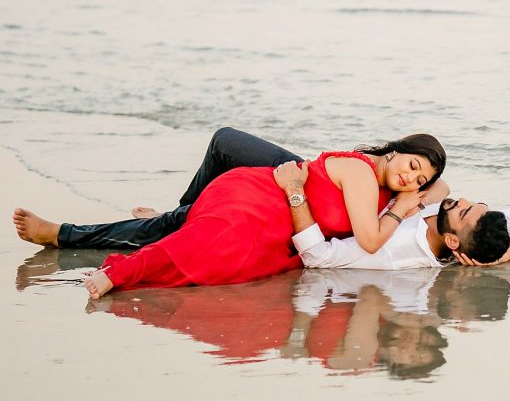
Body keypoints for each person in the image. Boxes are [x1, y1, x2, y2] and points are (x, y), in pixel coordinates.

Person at [12, 127, 446, 299]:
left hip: (291, 202)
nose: (412, 180)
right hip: (274, 194)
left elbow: (442, 187)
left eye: (420, 178)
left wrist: (421, 192)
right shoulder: (368, 177)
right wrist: (406, 205)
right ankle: (65, 234)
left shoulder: (390, 184)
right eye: (412, 166)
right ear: (398, 149)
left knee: (177, 223)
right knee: (215, 159)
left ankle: (179, 213)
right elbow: (371, 238)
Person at [273, 158, 510, 271]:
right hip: (347, 184)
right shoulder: (465, 228)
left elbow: (318, 257)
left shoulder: (399, 251)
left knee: (226, 143)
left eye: (465, 209)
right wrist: (503, 258)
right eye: (473, 203)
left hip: (312, 196)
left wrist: (294, 190)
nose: (462, 200)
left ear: (453, 242)